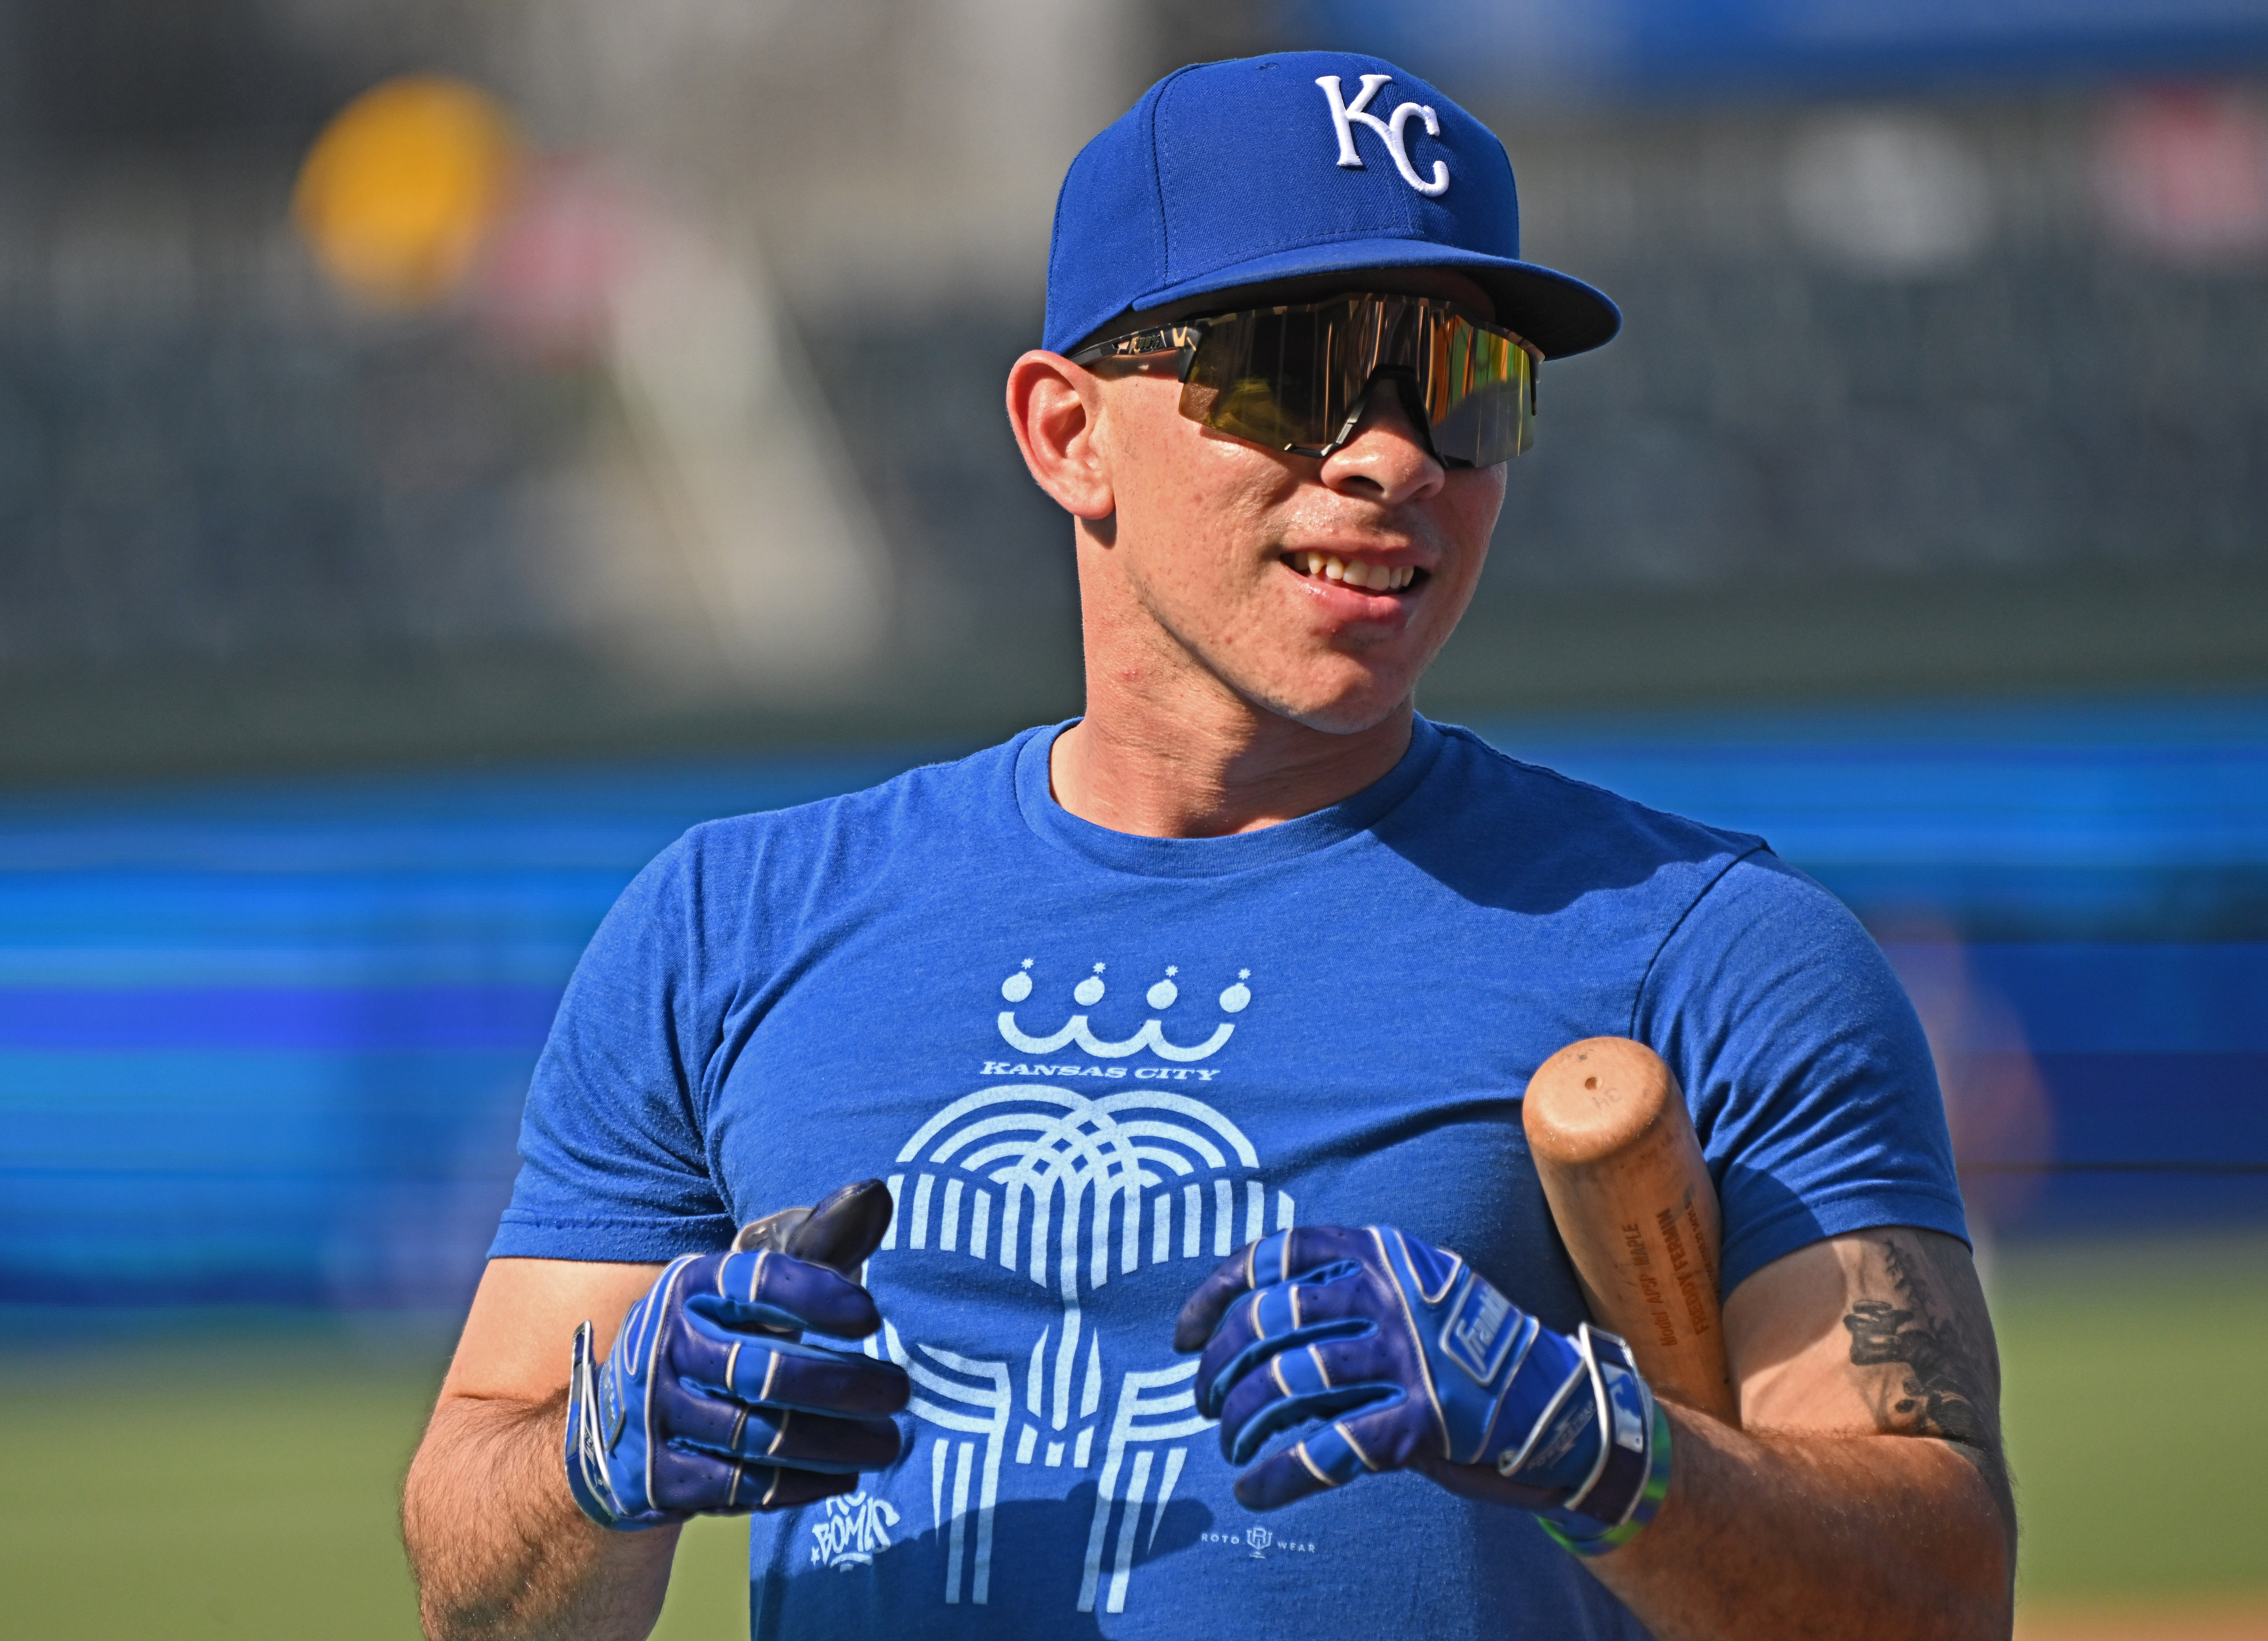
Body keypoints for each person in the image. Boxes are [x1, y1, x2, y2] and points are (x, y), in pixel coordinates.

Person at [403, 51, 2014, 1641]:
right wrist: (602, 1460)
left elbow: (1939, 1599)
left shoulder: (1713, 948)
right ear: (1067, 432)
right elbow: (483, 1597)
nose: (1395, 455)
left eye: (1466, 384)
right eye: (1301, 369)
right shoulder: (726, 928)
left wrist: (1585, 1441)